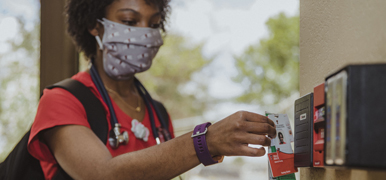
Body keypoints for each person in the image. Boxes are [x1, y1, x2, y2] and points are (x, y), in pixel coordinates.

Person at [27, 0, 276, 179]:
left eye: (153, 24)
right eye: (129, 21)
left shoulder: (157, 112)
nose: (144, 32)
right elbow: (102, 175)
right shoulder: (61, 100)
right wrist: (205, 142)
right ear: (95, 26)